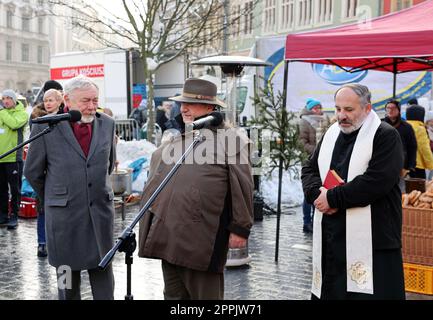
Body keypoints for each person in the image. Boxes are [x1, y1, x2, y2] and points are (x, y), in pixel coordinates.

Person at [138, 78, 254, 300]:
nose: (184, 108)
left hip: (202, 238)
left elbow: (243, 187)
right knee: (173, 297)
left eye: (191, 103)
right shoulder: (183, 137)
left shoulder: (231, 140)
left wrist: (240, 228)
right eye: (182, 103)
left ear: (211, 107)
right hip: (169, 235)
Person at [302, 83, 405, 300]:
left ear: (367, 109)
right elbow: (309, 168)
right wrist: (315, 194)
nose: (341, 116)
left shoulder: (385, 135)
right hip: (333, 237)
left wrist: (331, 198)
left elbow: (377, 181)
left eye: (349, 110)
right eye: (338, 109)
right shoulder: (331, 133)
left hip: (373, 239)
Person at [24, 75, 116, 300]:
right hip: (64, 218)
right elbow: (32, 172)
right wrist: (54, 197)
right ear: (67, 99)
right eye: (86, 101)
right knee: (67, 281)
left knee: (104, 278)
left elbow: (109, 164)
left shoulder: (108, 124)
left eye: (95, 100)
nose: (92, 106)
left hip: (99, 216)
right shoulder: (46, 127)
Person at [30, 89, 64, 258]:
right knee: (42, 209)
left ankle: (58, 242)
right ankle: (42, 243)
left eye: (51, 100)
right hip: (44, 176)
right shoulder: (38, 121)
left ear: (60, 101)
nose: (48, 103)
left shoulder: (66, 119)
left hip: (59, 176)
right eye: (46, 100)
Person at [0, 89, 29, 229]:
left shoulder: (22, 113)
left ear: (14, 100)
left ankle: (14, 216)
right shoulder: (2, 113)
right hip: (1, 158)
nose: (5, 101)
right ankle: (3, 215)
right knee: (1, 189)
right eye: (3, 98)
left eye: (8, 98)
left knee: (15, 189)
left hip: (13, 157)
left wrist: (2, 112)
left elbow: (13, 124)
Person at [299, 98, 326, 233]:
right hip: (310, 160)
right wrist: (316, 151)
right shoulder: (304, 121)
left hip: (324, 160)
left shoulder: (324, 120)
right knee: (309, 191)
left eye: (319, 107)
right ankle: (306, 221)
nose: (318, 110)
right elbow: (302, 142)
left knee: (320, 189)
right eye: (315, 108)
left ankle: (317, 219)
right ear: (310, 109)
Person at [383, 99, 417, 190]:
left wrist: (410, 167)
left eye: (393, 108)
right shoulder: (380, 125)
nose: (390, 110)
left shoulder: (406, 127)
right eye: (388, 108)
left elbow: (412, 147)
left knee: (400, 192)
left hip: (401, 167)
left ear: (399, 110)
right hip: (383, 166)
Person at [405, 104, 433, 179]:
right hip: (417, 165)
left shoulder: (403, 126)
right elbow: (424, 148)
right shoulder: (420, 129)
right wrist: (431, 164)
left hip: (402, 164)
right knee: (419, 189)